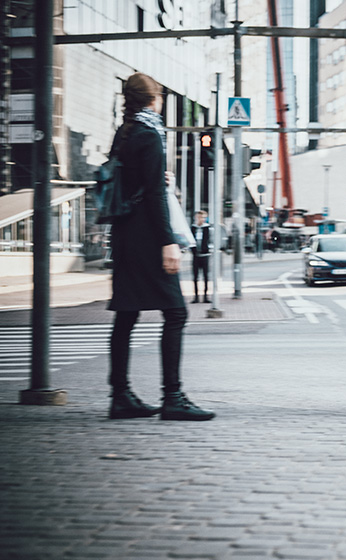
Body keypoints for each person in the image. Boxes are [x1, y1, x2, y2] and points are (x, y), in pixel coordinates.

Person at [107, 72, 215, 421]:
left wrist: (156, 177)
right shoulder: (150, 134)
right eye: (162, 97)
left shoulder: (124, 134)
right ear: (154, 99)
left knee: (127, 313)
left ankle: (120, 395)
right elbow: (153, 195)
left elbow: (130, 181)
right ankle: (173, 397)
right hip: (148, 237)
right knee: (176, 313)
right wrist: (168, 241)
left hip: (123, 234)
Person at [190, 210, 211, 303]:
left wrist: (208, 249)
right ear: (196, 218)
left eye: (203, 217)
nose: (201, 219)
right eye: (199, 217)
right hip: (196, 256)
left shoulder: (208, 228)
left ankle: (206, 296)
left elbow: (211, 240)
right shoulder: (193, 228)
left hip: (205, 255)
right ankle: (196, 297)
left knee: (206, 276)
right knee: (195, 277)